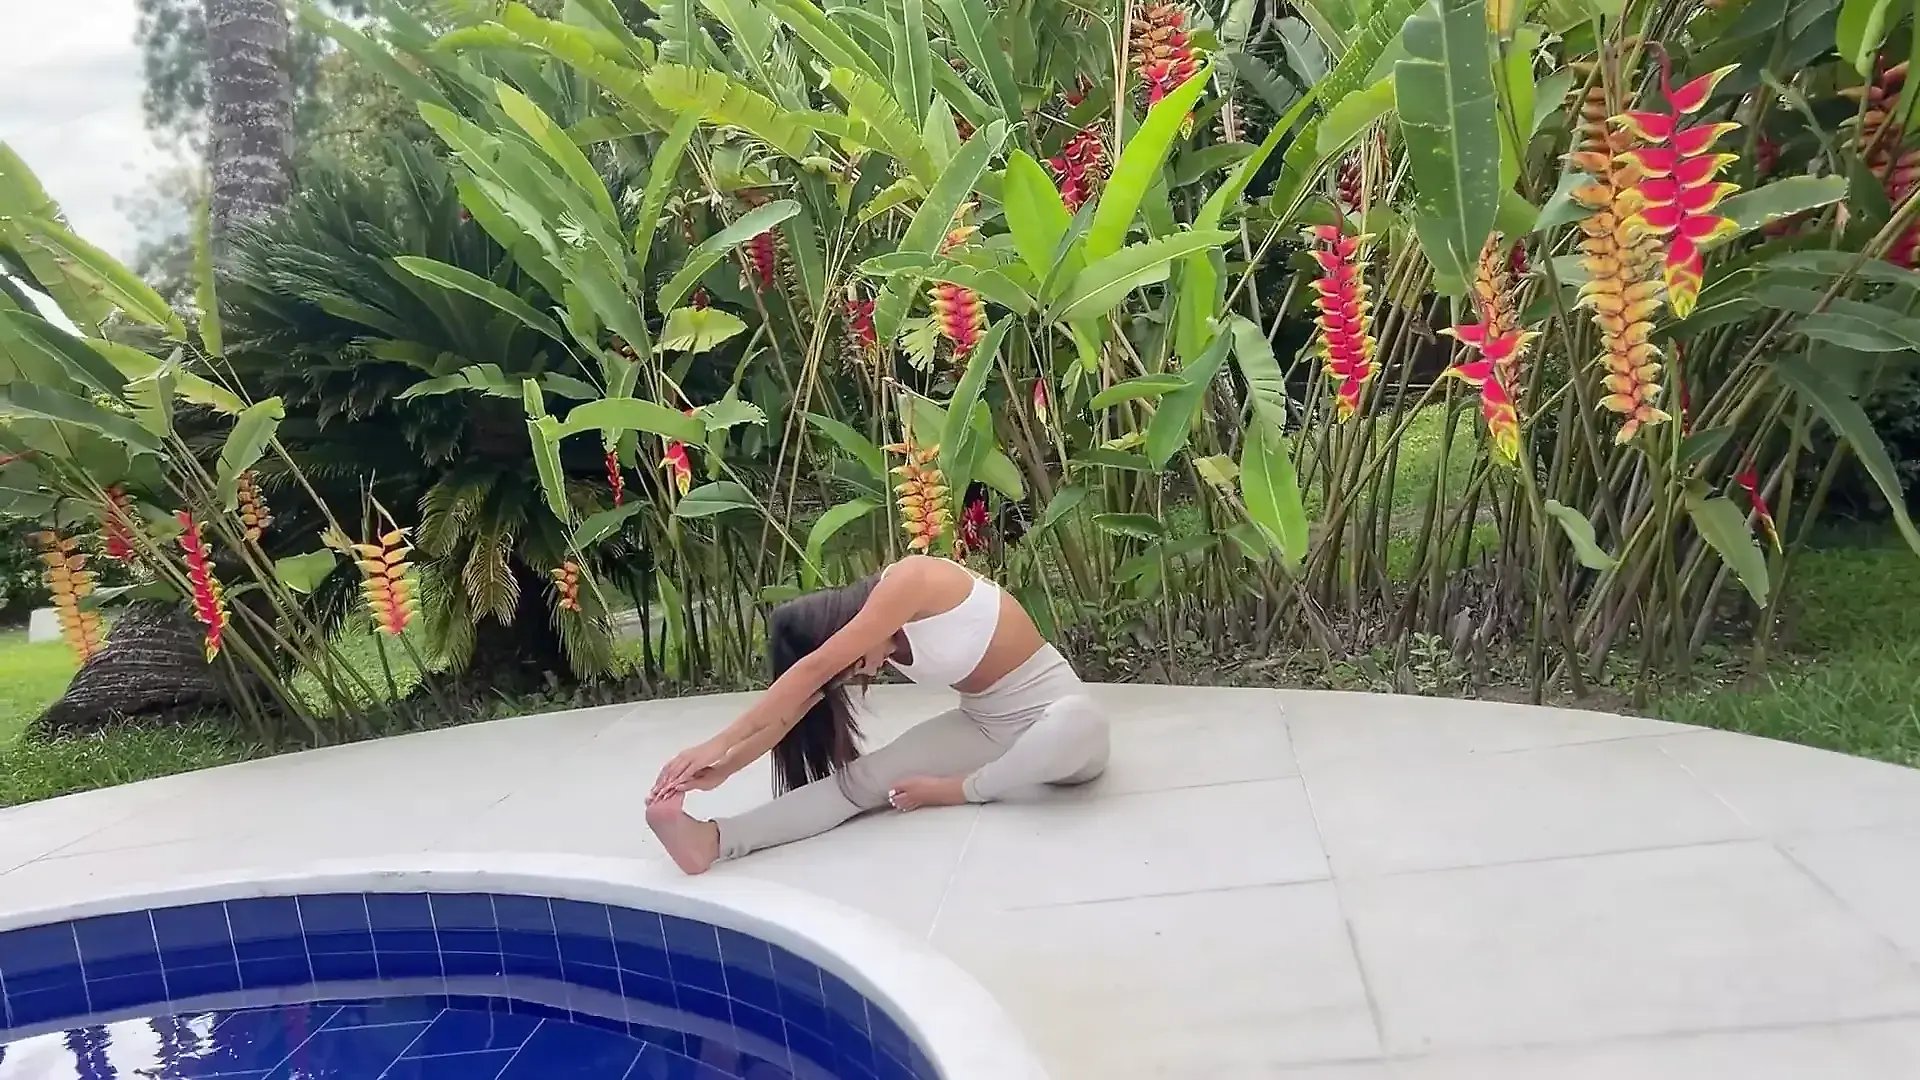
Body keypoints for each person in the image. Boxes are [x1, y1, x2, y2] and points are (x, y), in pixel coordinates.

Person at [644, 554, 1111, 874]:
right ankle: (714, 841)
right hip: (983, 726)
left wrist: (718, 741)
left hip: (1056, 717)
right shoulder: (867, 644)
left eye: (850, 661)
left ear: (842, 630)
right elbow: (788, 714)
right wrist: (724, 767)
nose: (862, 672)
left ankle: (961, 790)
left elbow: (816, 668)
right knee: (858, 782)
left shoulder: (912, 581)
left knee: (1076, 721)